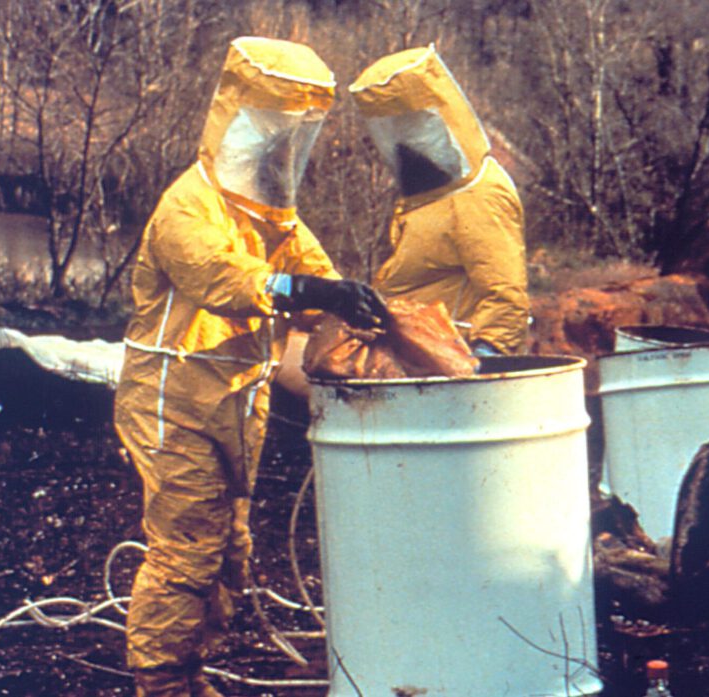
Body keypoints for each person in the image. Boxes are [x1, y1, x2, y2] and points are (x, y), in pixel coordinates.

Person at [113, 36, 387, 697]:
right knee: (186, 550)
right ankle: (161, 684)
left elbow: (315, 273)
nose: (280, 150)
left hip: (236, 400)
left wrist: (355, 306)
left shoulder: (271, 216)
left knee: (228, 550)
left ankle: (190, 671)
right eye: (272, 132)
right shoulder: (189, 206)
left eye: (294, 136)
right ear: (237, 125)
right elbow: (225, 279)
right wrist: (307, 293)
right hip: (172, 398)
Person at [349, 45, 530, 356]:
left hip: (450, 360)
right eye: (393, 127)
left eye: (414, 125)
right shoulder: (429, 194)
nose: (403, 140)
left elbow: (506, 297)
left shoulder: (478, 196)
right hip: (414, 354)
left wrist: (482, 359)